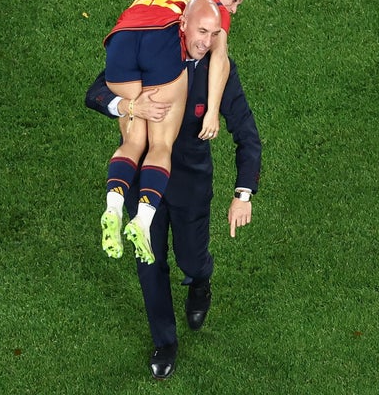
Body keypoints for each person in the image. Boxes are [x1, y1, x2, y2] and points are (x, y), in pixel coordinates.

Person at [85, 50, 261, 379]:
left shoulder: (216, 68)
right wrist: (129, 106)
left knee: (191, 259)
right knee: (148, 263)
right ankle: (164, 341)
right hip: (143, 180)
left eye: (212, 34)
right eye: (200, 32)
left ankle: (200, 281)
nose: (204, 40)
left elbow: (246, 133)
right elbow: (96, 93)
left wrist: (243, 194)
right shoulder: (145, 53)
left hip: (189, 186)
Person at [101, 0, 247, 265]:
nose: (233, 7)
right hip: (160, 43)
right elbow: (219, 57)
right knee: (160, 144)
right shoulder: (210, 7)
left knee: (134, 137)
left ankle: (112, 207)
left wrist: (131, 105)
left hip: (120, 39)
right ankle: (142, 221)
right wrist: (212, 111)